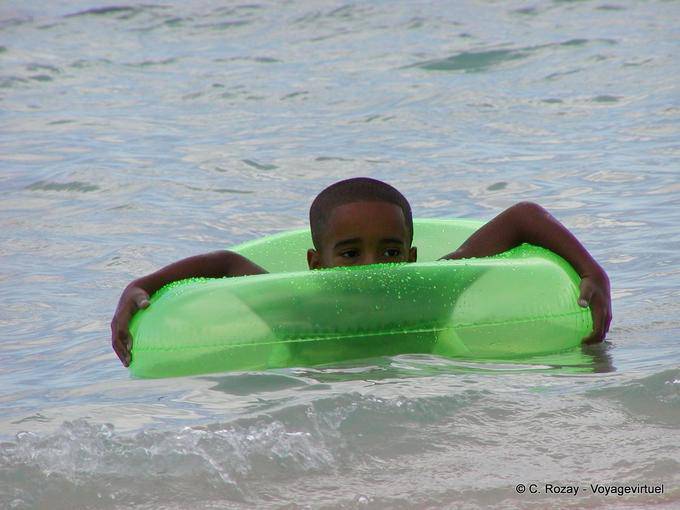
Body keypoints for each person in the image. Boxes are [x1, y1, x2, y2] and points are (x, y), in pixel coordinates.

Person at [111, 177, 612, 366]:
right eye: (350, 253)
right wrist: (141, 286)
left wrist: (593, 274)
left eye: (390, 251)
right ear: (315, 262)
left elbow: (522, 216)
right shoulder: (294, 303)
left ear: (412, 258)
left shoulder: (434, 288)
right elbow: (221, 263)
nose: (373, 267)